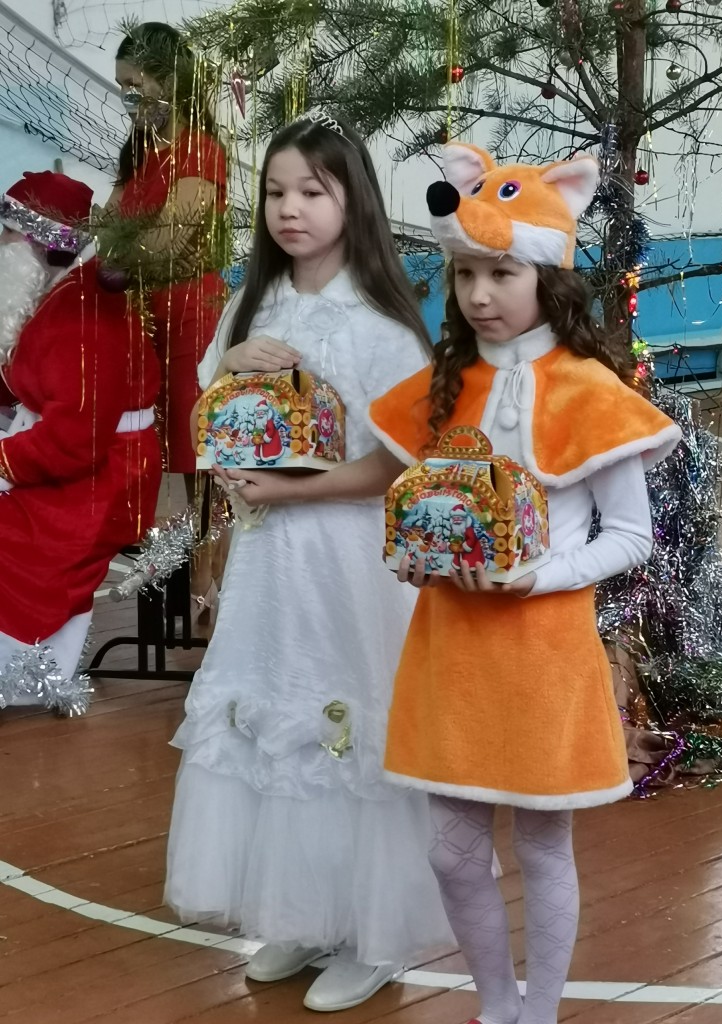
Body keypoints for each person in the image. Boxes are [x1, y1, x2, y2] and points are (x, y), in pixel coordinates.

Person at [215, 142, 683, 1024]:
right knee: (451, 853)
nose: (478, 295)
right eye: (465, 274)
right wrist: (413, 552)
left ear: (547, 277)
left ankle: (537, 1011)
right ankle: (495, 1001)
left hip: (543, 655)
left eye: (501, 273)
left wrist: (541, 576)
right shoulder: (445, 386)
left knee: (542, 845)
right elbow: (414, 501)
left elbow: (629, 536)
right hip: (449, 647)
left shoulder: (590, 391)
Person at [164, 112, 452, 1011]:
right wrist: (228, 364)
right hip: (267, 563)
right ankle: (298, 911)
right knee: (275, 713)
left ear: (352, 200)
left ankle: (370, 935)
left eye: (312, 192)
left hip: (344, 562)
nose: (290, 209)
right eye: (276, 192)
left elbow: (397, 465)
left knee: (343, 721)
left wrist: (294, 492)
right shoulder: (252, 306)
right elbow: (214, 420)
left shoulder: (382, 327)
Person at [0, 170, 161, 712]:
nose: (1, 242)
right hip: (87, 458)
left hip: (101, 478)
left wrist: (3, 459)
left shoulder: (79, 314)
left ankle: (20, 674)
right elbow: (37, 378)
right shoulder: (64, 289)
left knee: (11, 544)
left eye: (8, 233)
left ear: (37, 244)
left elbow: (75, 439)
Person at [108, 21, 228, 614]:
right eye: (122, 87)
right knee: (143, 444)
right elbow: (110, 233)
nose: (128, 99)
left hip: (189, 315)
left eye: (136, 85)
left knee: (195, 452)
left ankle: (203, 580)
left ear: (171, 82)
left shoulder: (201, 150)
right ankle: (163, 571)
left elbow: (165, 241)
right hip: (138, 317)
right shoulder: (138, 155)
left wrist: (119, 247)